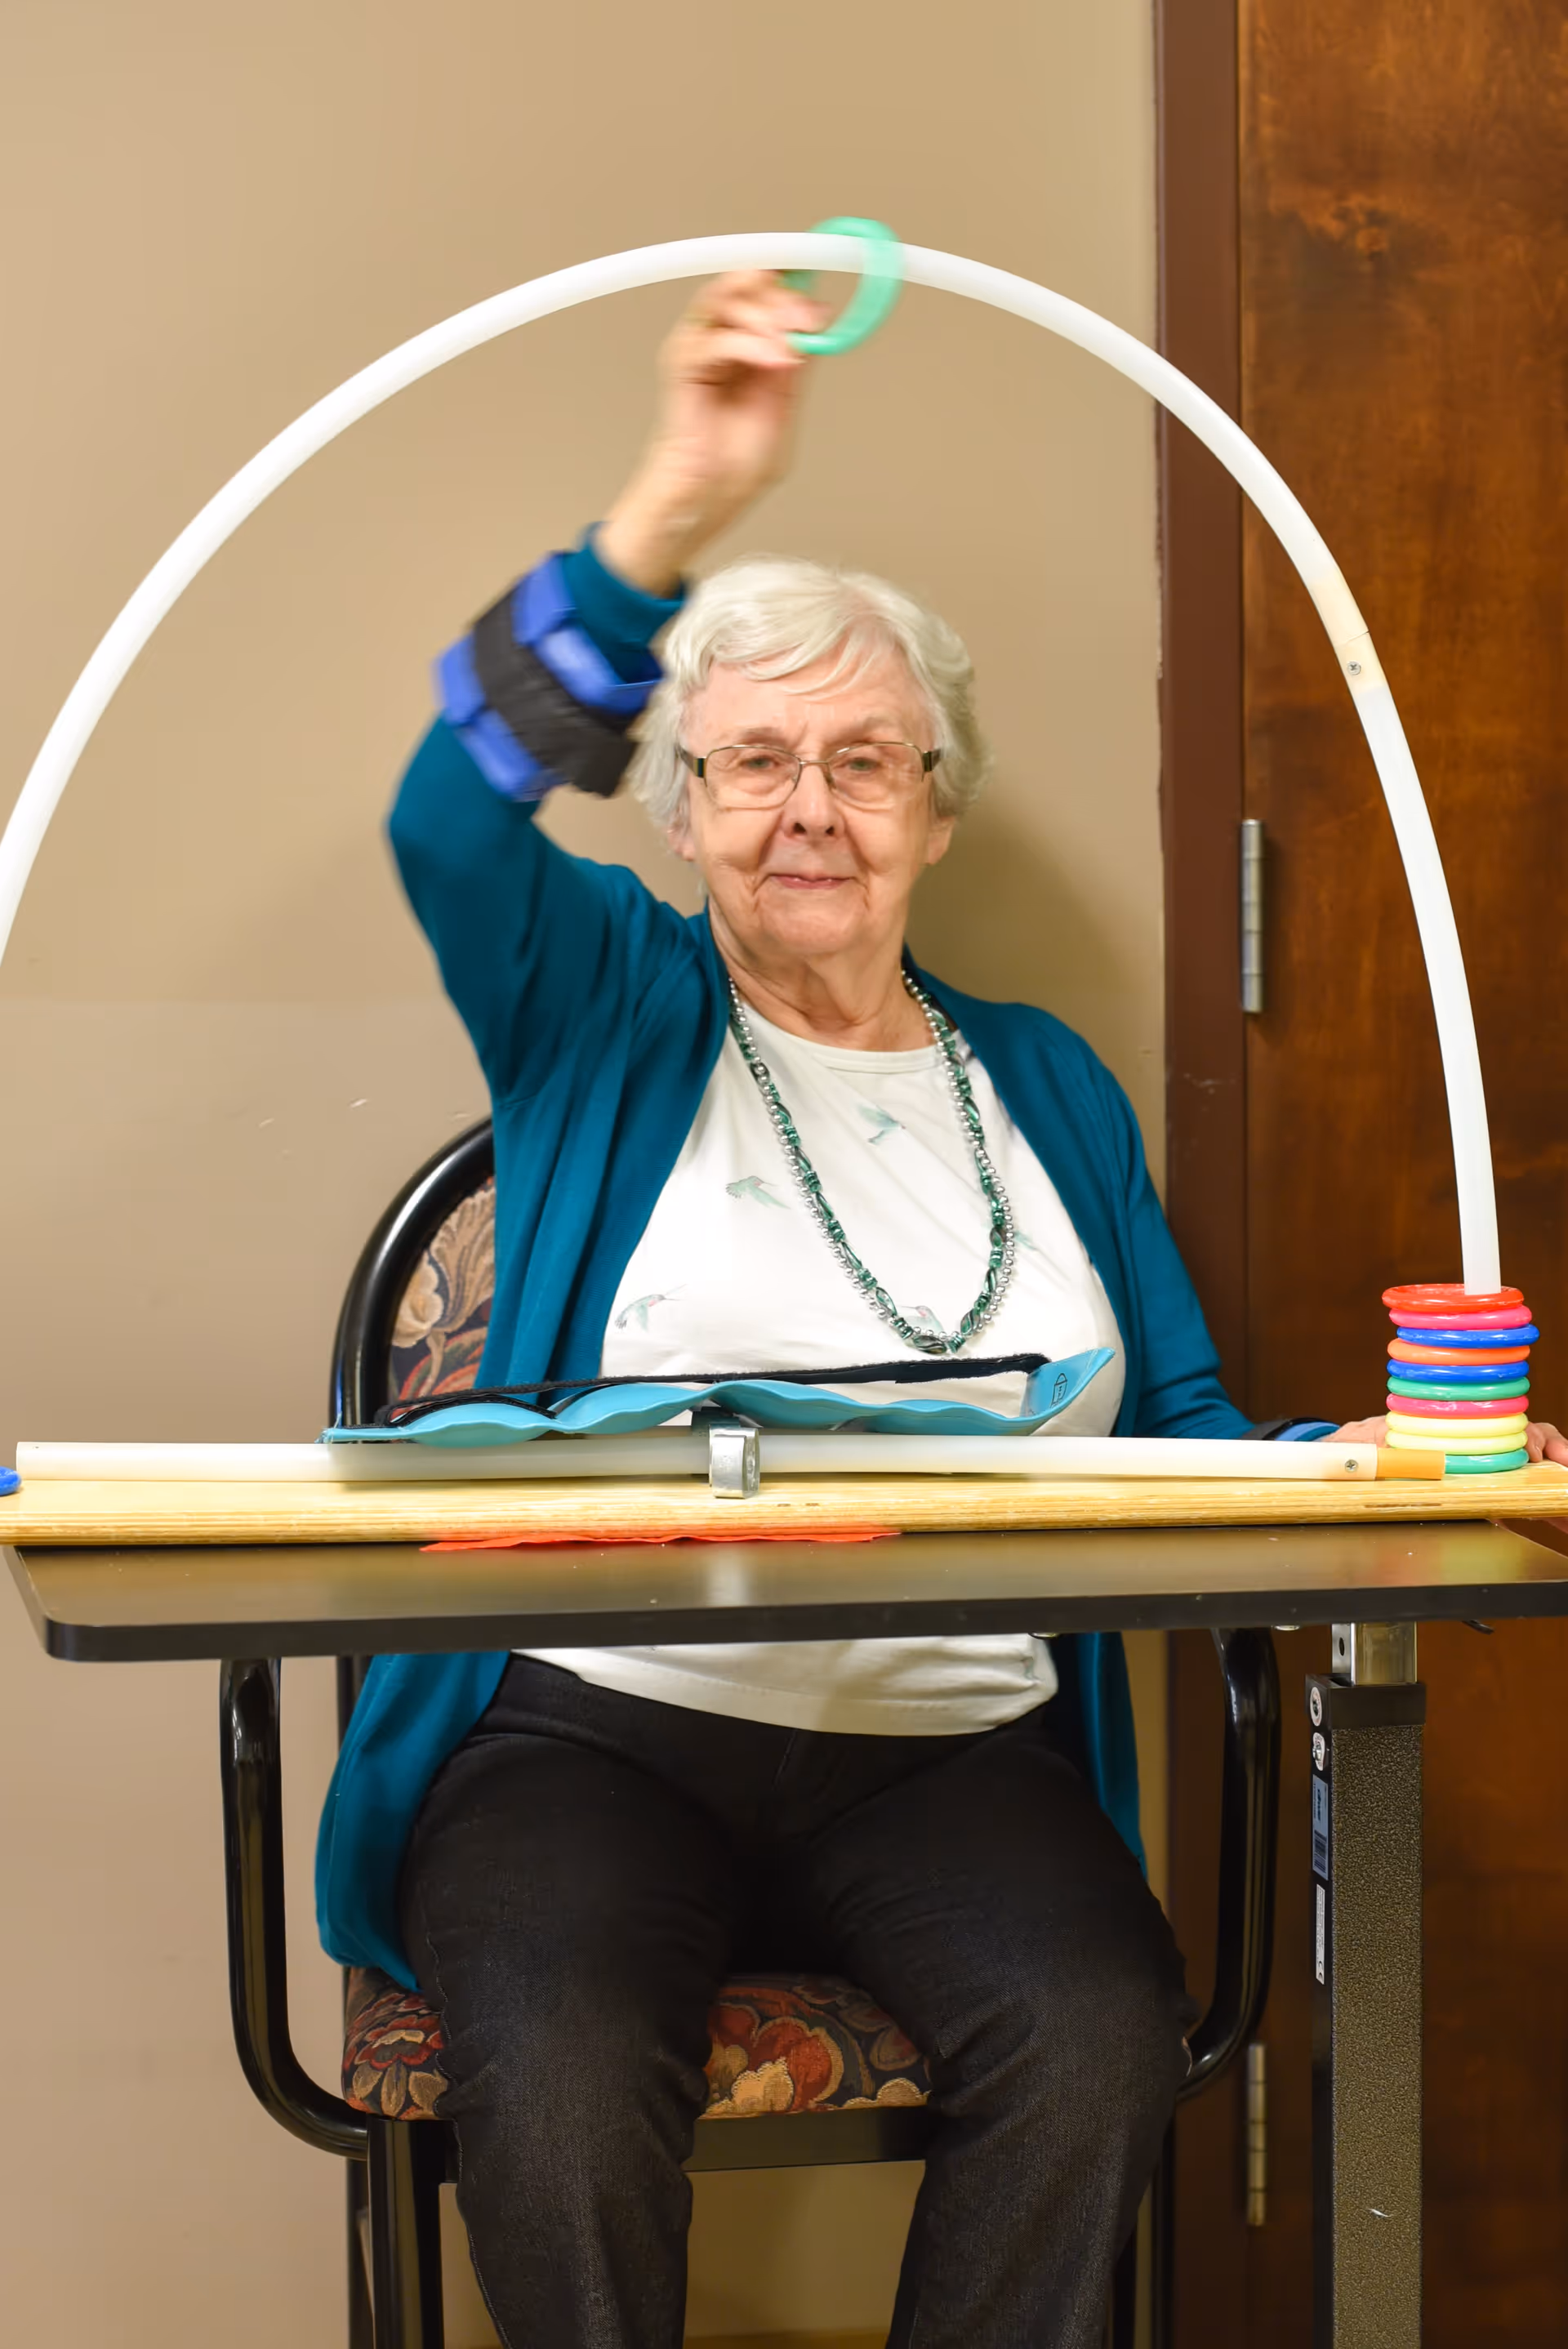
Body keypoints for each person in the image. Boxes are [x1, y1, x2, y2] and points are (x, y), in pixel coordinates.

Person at [317, 274, 1568, 2347]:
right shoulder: (606, 1007)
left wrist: (1319, 1466)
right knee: (540, 2057)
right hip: (596, 1737)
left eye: (867, 760)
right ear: (683, 808)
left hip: (951, 1749)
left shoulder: (1047, 1083)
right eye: (754, 762)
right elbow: (443, 821)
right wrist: (674, 504)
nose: (811, 806)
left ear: (939, 807)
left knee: (1100, 2035)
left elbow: (1168, 1413)